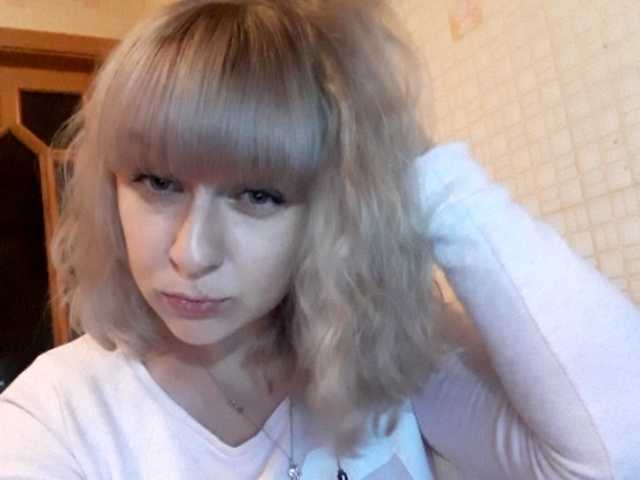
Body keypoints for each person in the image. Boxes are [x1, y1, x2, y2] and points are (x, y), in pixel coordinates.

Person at [1, 0, 639, 478]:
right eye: (159, 183)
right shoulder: (57, 417)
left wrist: (417, 172)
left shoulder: (387, 357)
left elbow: (616, 455)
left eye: (259, 195)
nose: (191, 254)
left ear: (329, 209)